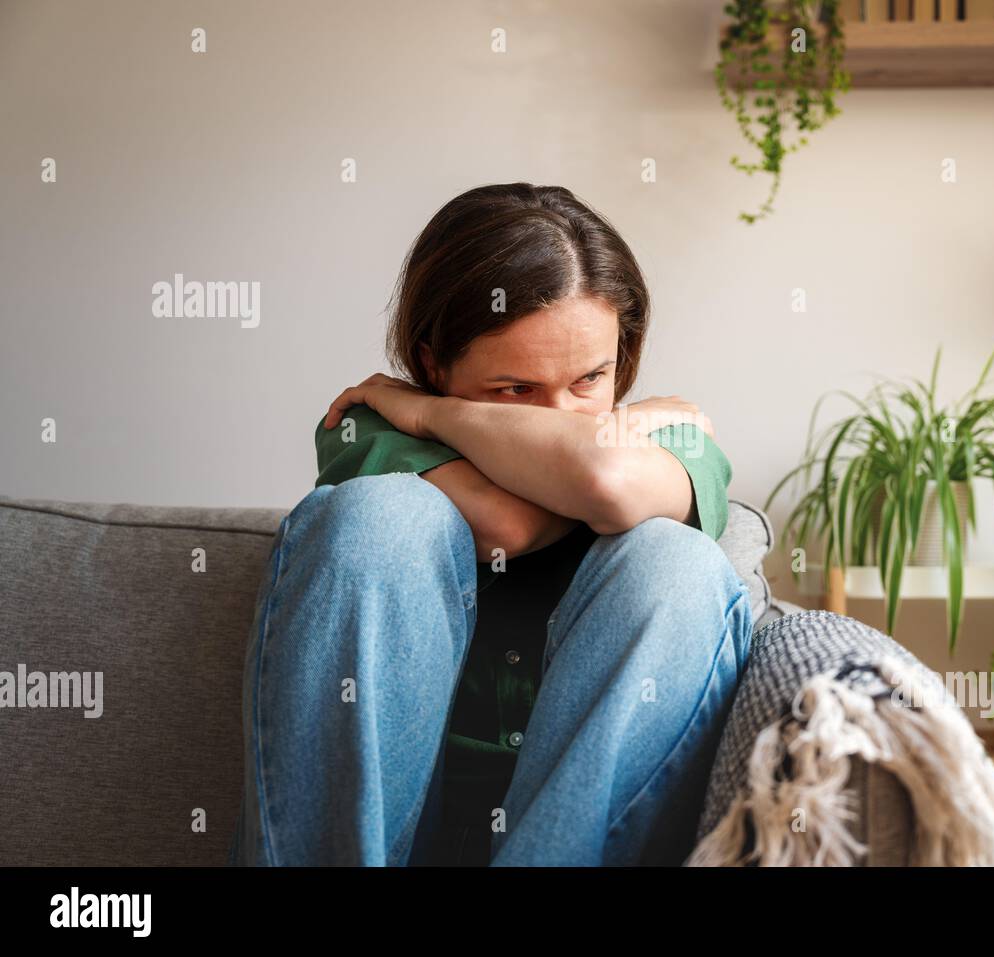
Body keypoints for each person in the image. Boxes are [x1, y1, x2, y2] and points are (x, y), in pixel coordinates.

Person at [229, 183, 754, 866]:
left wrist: (432, 415)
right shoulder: (363, 427)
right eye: (515, 390)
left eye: (591, 379)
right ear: (432, 363)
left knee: (674, 563)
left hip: (567, 837)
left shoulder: (671, 437)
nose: (558, 415)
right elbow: (508, 522)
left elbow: (609, 484)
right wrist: (442, 423)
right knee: (377, 517)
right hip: (407, 830)